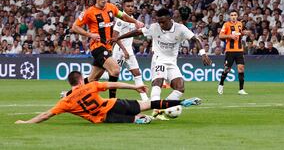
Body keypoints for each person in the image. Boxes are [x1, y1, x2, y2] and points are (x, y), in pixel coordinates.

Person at [114, 8, 212, 120]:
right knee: (158, 82)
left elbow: (195, 39)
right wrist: (119, 37)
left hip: (172, 62)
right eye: (159, 21)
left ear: (170, 19)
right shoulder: (154, 27)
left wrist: (203, 54)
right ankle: (155, 109)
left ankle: (160, 110)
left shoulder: (180, 29)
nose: (160, 24)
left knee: (180, 88)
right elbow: (137, 32)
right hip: (158, 59)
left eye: (163, 22)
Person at [15, 71, 202, 124]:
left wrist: (26, 122)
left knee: (138, 119)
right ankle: (181, 102)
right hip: (114, 103)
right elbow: (114, 84)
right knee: (149, 104)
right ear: (81, 79)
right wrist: (135, 86)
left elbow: (46, 115)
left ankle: (138, 120)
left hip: (105, 118)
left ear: (70, 83)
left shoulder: (65, 102)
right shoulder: (91, 85)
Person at [71, 0, 144, 98]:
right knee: (115, 70)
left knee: (92, 79)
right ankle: (112, 101)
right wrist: (89, 34)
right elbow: (75, 27)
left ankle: (69, 94)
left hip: (108, 47)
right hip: (97, 46)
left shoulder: (111, 7)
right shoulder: (89, 12)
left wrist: (136, 22)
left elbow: (123, 16)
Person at [111, 0, 148, 101]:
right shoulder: (120, 19)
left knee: (137, 73)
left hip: (128, 51)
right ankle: (87, 80)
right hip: (119, 51)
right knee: (112, 74)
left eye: (132, 6)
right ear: (123, 7)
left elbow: (129, 37)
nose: (131, 8)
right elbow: (115, 37)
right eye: (128, 6)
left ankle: (145, 99)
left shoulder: (131, 19)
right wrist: (124, 50)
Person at [218, 10, 249, 95]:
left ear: (237, 16)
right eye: (232, 15)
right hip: (230, 51)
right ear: (229, 16)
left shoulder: (240, 24)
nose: (233, 16)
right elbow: (220, 35)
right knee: (227, 69)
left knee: (241, 68)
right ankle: (221, 84)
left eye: (235, 15)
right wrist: (229, 36)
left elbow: (240, 33)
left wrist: (244, 33)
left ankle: (241, 89)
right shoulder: (226, 24)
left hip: (239, 50)